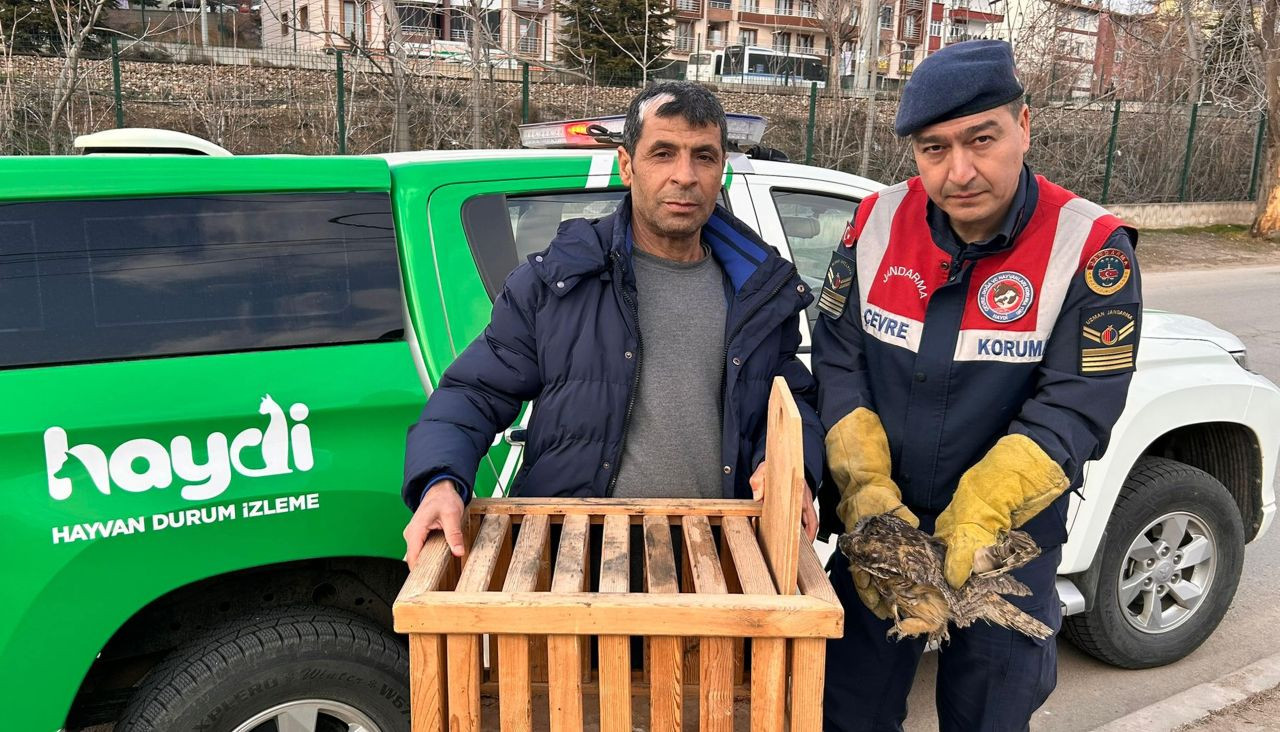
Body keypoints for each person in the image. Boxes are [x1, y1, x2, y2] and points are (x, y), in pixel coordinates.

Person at [813, 41, 1141, 731]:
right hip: (882, 535)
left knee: (990, 716)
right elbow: (839, 359)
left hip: (1003, 549)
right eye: (934, 149)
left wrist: (984, 508)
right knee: (848, 712)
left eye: (981, 140)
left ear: (1025, 126)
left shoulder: (1091, 246)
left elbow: (1078, 406)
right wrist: (865, 489)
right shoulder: (875, 224)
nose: (958, 171)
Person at [401, 81, 822, 566]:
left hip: (716, 563)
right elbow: (471, 394)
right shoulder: (559, 281)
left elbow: (794, 405)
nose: (684, 176)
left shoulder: (761, 292)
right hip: (573, 564)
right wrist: (441, 480)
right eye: (663, 153)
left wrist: (793, 469)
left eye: (703, 156)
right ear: (628, 165)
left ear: (720, 168)